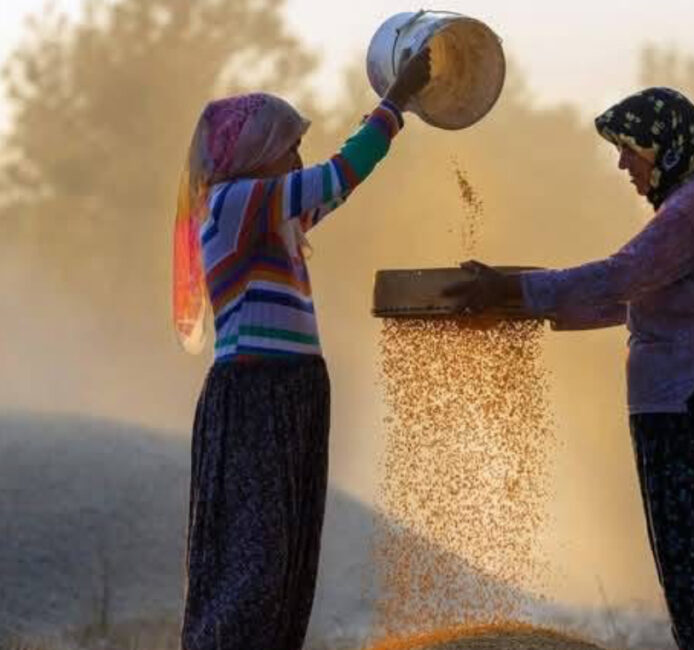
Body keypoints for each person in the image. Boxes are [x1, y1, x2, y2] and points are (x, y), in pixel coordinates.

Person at [446, 87, 694, 650]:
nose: (623, 163)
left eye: (631, 147)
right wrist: (512, 307)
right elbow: (625, 300)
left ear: (668, 145)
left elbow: (620, 276)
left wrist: (511, 289)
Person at [170, 48, 431, 650]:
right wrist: (395, 104)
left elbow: (334, 188)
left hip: (293, 395)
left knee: (287, 563)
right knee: (253, 567)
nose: (297, 160)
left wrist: (398, 109)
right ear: (256, 155)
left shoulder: (271, 215)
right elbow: (338, 174)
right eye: (288, 147)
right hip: (256, 396)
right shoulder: (236, 202)